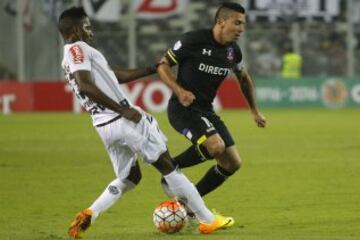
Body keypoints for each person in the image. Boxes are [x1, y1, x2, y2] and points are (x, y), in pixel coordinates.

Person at [58, 7, 232, 239]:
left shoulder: (71, 55)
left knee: (130, 178)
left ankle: (91, 212)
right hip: (122, 119)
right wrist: (123, 109)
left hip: (104, 126)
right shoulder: (78, 49)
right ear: (75, 29)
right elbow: (85, 85)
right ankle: (207, 220)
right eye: (87, 26)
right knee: (169, 167)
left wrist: (150, 69)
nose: (91, 31)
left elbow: (113, 76)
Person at [157, 2, 266, 221]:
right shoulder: (193, 40)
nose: (241, 29)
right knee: (216, 146)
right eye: (237, 23)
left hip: (205, 111)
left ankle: (188, 206)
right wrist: (179, 91)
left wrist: (254, 111)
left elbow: (243, 78)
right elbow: (162, 65)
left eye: (243, 24)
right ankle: (169, 169)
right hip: (183, 108)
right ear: (220, 22)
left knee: (232, 163)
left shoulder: (232, 52)